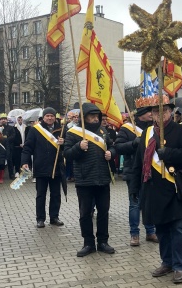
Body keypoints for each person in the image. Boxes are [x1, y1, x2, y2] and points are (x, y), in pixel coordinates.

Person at [130, 95, 182, 284]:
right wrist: (134, 187)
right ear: (151, 115)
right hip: (152, 189)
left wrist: (170, 154)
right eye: (155, 112)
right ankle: (167, 262)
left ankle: (179, 266)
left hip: (174, 187)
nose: (159, 115)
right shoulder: (147, 133)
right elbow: (138, 162)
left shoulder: (181, 131)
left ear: (170, 112)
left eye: (163, 111)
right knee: (161, 230)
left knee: (178, 230)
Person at [64, 103, 116, 257]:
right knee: (85, 213)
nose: (95, 119)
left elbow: (113, 147)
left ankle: (103, 241)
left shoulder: (103, 131)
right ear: (84, 117)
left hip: (102, 178)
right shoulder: (73, 133)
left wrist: (111, 153)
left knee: (103, 212)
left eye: (97, 116)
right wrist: (78, 147)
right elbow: (67, 154)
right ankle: (88, 243)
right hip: (84, 179)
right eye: (91, 116)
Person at [115, 102, 158, 247]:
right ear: (141, 115)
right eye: (149, 112)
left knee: (150, 202)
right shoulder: (127, 129)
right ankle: (134, 234)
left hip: (151, 171)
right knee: (135, 203)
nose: (151, 114)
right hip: (133, 171)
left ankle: (150, 231)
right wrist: (133, 143)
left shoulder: (154, 128)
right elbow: (119, 147)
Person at [21, 107, 65, 228]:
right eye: (47, 116)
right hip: (41, 167)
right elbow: (27, 147)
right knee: (41, 195)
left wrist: (63, 143)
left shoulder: (61, 130)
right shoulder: (35, 130)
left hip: (56, 167)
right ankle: (40, 219)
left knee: (56, 194)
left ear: (55, 117)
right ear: (43, 117)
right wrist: (25, 162)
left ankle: (54, 217)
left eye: (52, 116)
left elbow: (68, 148)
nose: (50, 118)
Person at [0, 113, 15, 180]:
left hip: (9, 147)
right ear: (0, 120)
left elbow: (13, 136)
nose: (3, 120)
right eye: (2, 119)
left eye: (4, 119)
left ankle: (11, 174)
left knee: (10, 161)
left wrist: (6, 139)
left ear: (7, 120)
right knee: (0, 161)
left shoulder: (11, 128)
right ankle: (0, 176)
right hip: (0, 147)